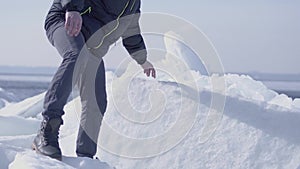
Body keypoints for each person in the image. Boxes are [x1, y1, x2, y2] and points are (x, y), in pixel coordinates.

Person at [32, 0, 156, 160]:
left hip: (90, 47)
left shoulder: (133, 4)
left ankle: (86, 155)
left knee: (97, 100)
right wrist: (72, 8)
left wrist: (142, 60)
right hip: (64, 19)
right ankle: (46, 133)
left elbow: (131, 32)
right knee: (75, 55)